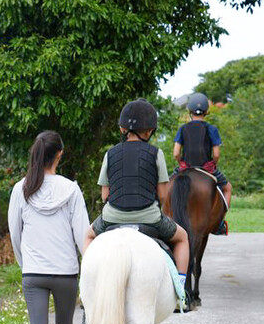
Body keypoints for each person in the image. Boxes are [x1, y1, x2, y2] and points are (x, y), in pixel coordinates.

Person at [8, 130, 90, 324]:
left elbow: (15, 235)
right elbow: (82, 236)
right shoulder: (71, 189)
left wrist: (26, 266)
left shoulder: (21, 189)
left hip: (34, 272)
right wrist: (88, 268)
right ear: (59, 155)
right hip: (66, 272)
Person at [83, 98, 190, 289]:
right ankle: (180, 289)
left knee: (88, 236)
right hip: (149, 217)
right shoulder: (156, 153)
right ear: (149, 131)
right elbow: (163, 194)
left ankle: (87, 285)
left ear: (122, 129)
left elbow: (104, 195)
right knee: (182, 237)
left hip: (112, 216)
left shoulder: (110, 153)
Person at [172, 92, 232, 235]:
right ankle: (219, 223)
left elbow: (176, 153)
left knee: (165, 187)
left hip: (186, 167)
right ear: (207, 111)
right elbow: (216, 154)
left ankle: (164, 218)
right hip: (207, 169)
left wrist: (182, 163)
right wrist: (212, 164)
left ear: (190, 111)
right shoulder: (212, 129)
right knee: (228, 188)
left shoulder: (183, 128)